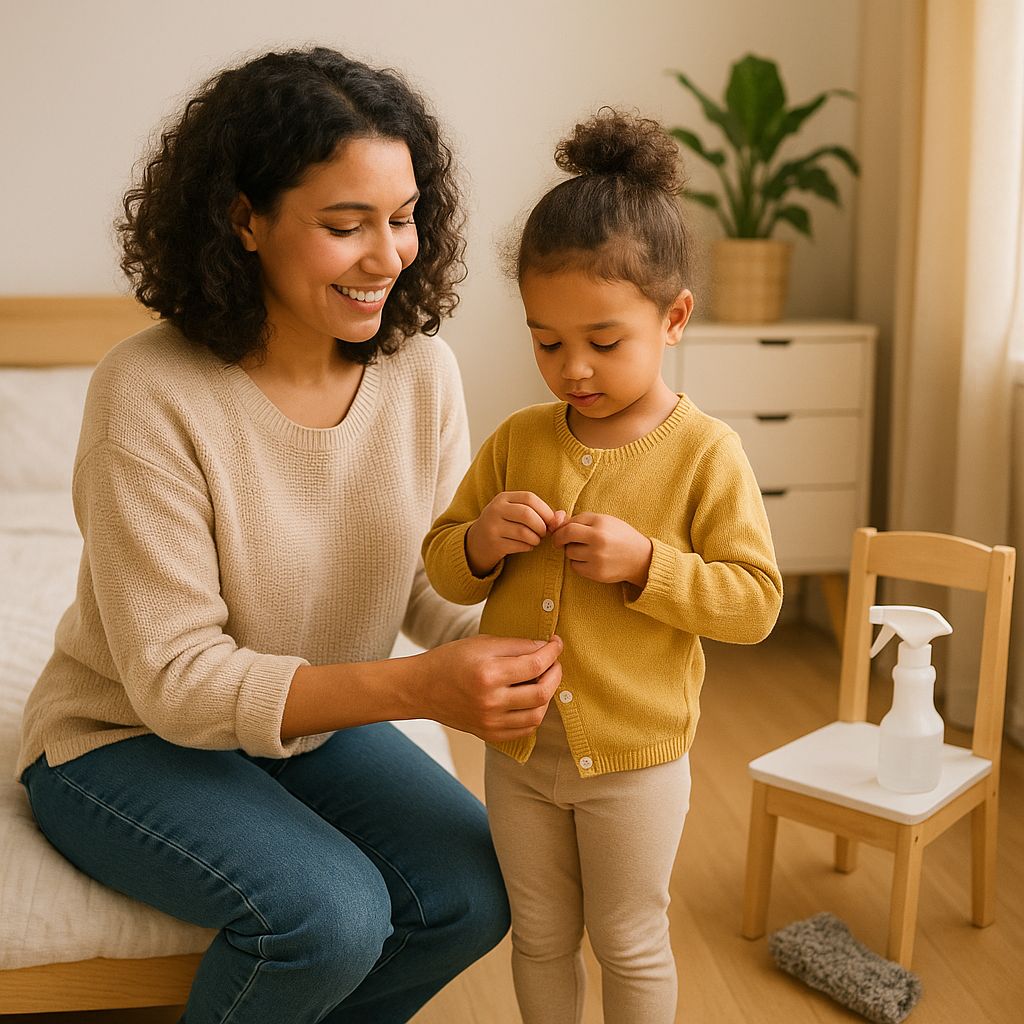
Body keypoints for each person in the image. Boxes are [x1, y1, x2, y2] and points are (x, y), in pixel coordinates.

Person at [16, 47, 564, 1024]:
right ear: (245, 221)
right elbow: (180, 682)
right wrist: (418, 689)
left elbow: (433, 598)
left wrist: (507, 566)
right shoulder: (146, 393)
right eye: (345, 225)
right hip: (122, 738)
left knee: (478, 889)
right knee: (331, 915)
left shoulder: (420, 371)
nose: (388, 256)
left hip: (304, 719)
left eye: (401, 219)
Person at [422, 109, 784, 1023]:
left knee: (628, 938)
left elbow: (755, 604)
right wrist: (479, 540)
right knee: (540, 934)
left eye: (603, 342)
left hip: (635, 760)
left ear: (674, 319)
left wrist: (648, 565)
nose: (572, 368)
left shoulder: (706, 454)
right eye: (547, 342)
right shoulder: (518, 440)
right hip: (517, 753)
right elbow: (442, 569)